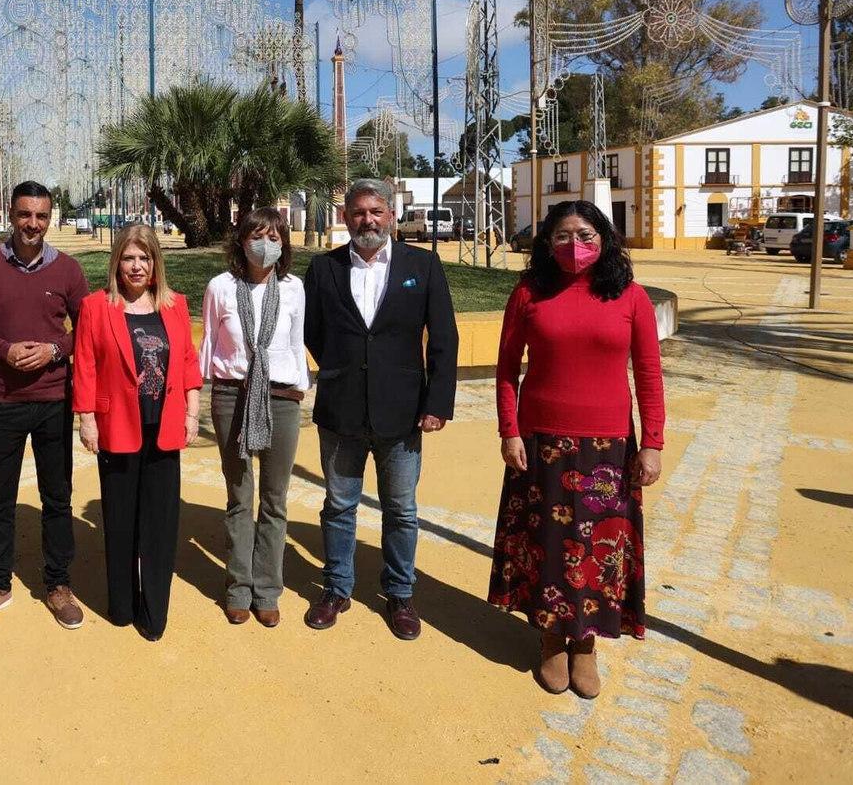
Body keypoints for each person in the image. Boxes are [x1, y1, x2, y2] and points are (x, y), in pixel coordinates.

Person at [489, 200, 664, 698]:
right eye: (563, 236)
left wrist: (652, 443)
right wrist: (509, 431)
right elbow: (507, 369)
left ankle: (585, 643)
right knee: (547, 544)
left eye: (585, 235)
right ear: (547, 243)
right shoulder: (528, 293)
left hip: (609, 446)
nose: (574, 245)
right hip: (541, 442)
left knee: (598, 550)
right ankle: (550, 637)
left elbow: (648, 374)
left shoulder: (631, 296)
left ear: (604, 239)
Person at [303, 179, 458, 638]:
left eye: (375, 211)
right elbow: (312, 331)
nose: (367, 220)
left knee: (401, 510)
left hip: (403, 411)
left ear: (391, 215)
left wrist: (437, 402)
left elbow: (444, 338)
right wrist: (342, 367)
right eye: (358, 212)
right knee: (338, 506)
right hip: (341, 410)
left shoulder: (423, 265)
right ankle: (336, 588)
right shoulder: (324, 268)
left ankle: (400, 593)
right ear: (344, 217)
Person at [0, 181, 90, 628]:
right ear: (11, 215)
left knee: (58, 497)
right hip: (2, 399)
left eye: (41, 216)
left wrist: (54, 350)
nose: (33, 224)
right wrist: (2, 350)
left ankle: (58, 584)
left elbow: (88, 328)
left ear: (50, 218)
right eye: (25, 215)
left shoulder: (68, 270)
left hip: (54, 399)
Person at [72, 224, 201, 641]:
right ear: (116, 263)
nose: (137, 266)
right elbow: (85, 364)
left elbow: (187, 360)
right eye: (128, 258)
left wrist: (192, 411)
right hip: (117, 427)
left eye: (144, 258)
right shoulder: (96, 306)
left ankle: (154, 611)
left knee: (160, 525)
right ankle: (123, 604)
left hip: (164, 428)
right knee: (120, 521)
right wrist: (86, 418)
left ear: (155, 263)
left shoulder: (175, 305)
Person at [199, 207, 308, 628]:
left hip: (281, 399)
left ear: (284, 244)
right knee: (240, 497)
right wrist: (204, 394)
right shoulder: (221, 287)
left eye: (274, 238)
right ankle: (238, 588)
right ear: (241, 241)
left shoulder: (294, 289)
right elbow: (210, 343)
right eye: (257, 236)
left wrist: (299, 388)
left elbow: (296, 343)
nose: (266, 245)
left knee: (275, 499)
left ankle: (267, 590)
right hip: (232, 397)